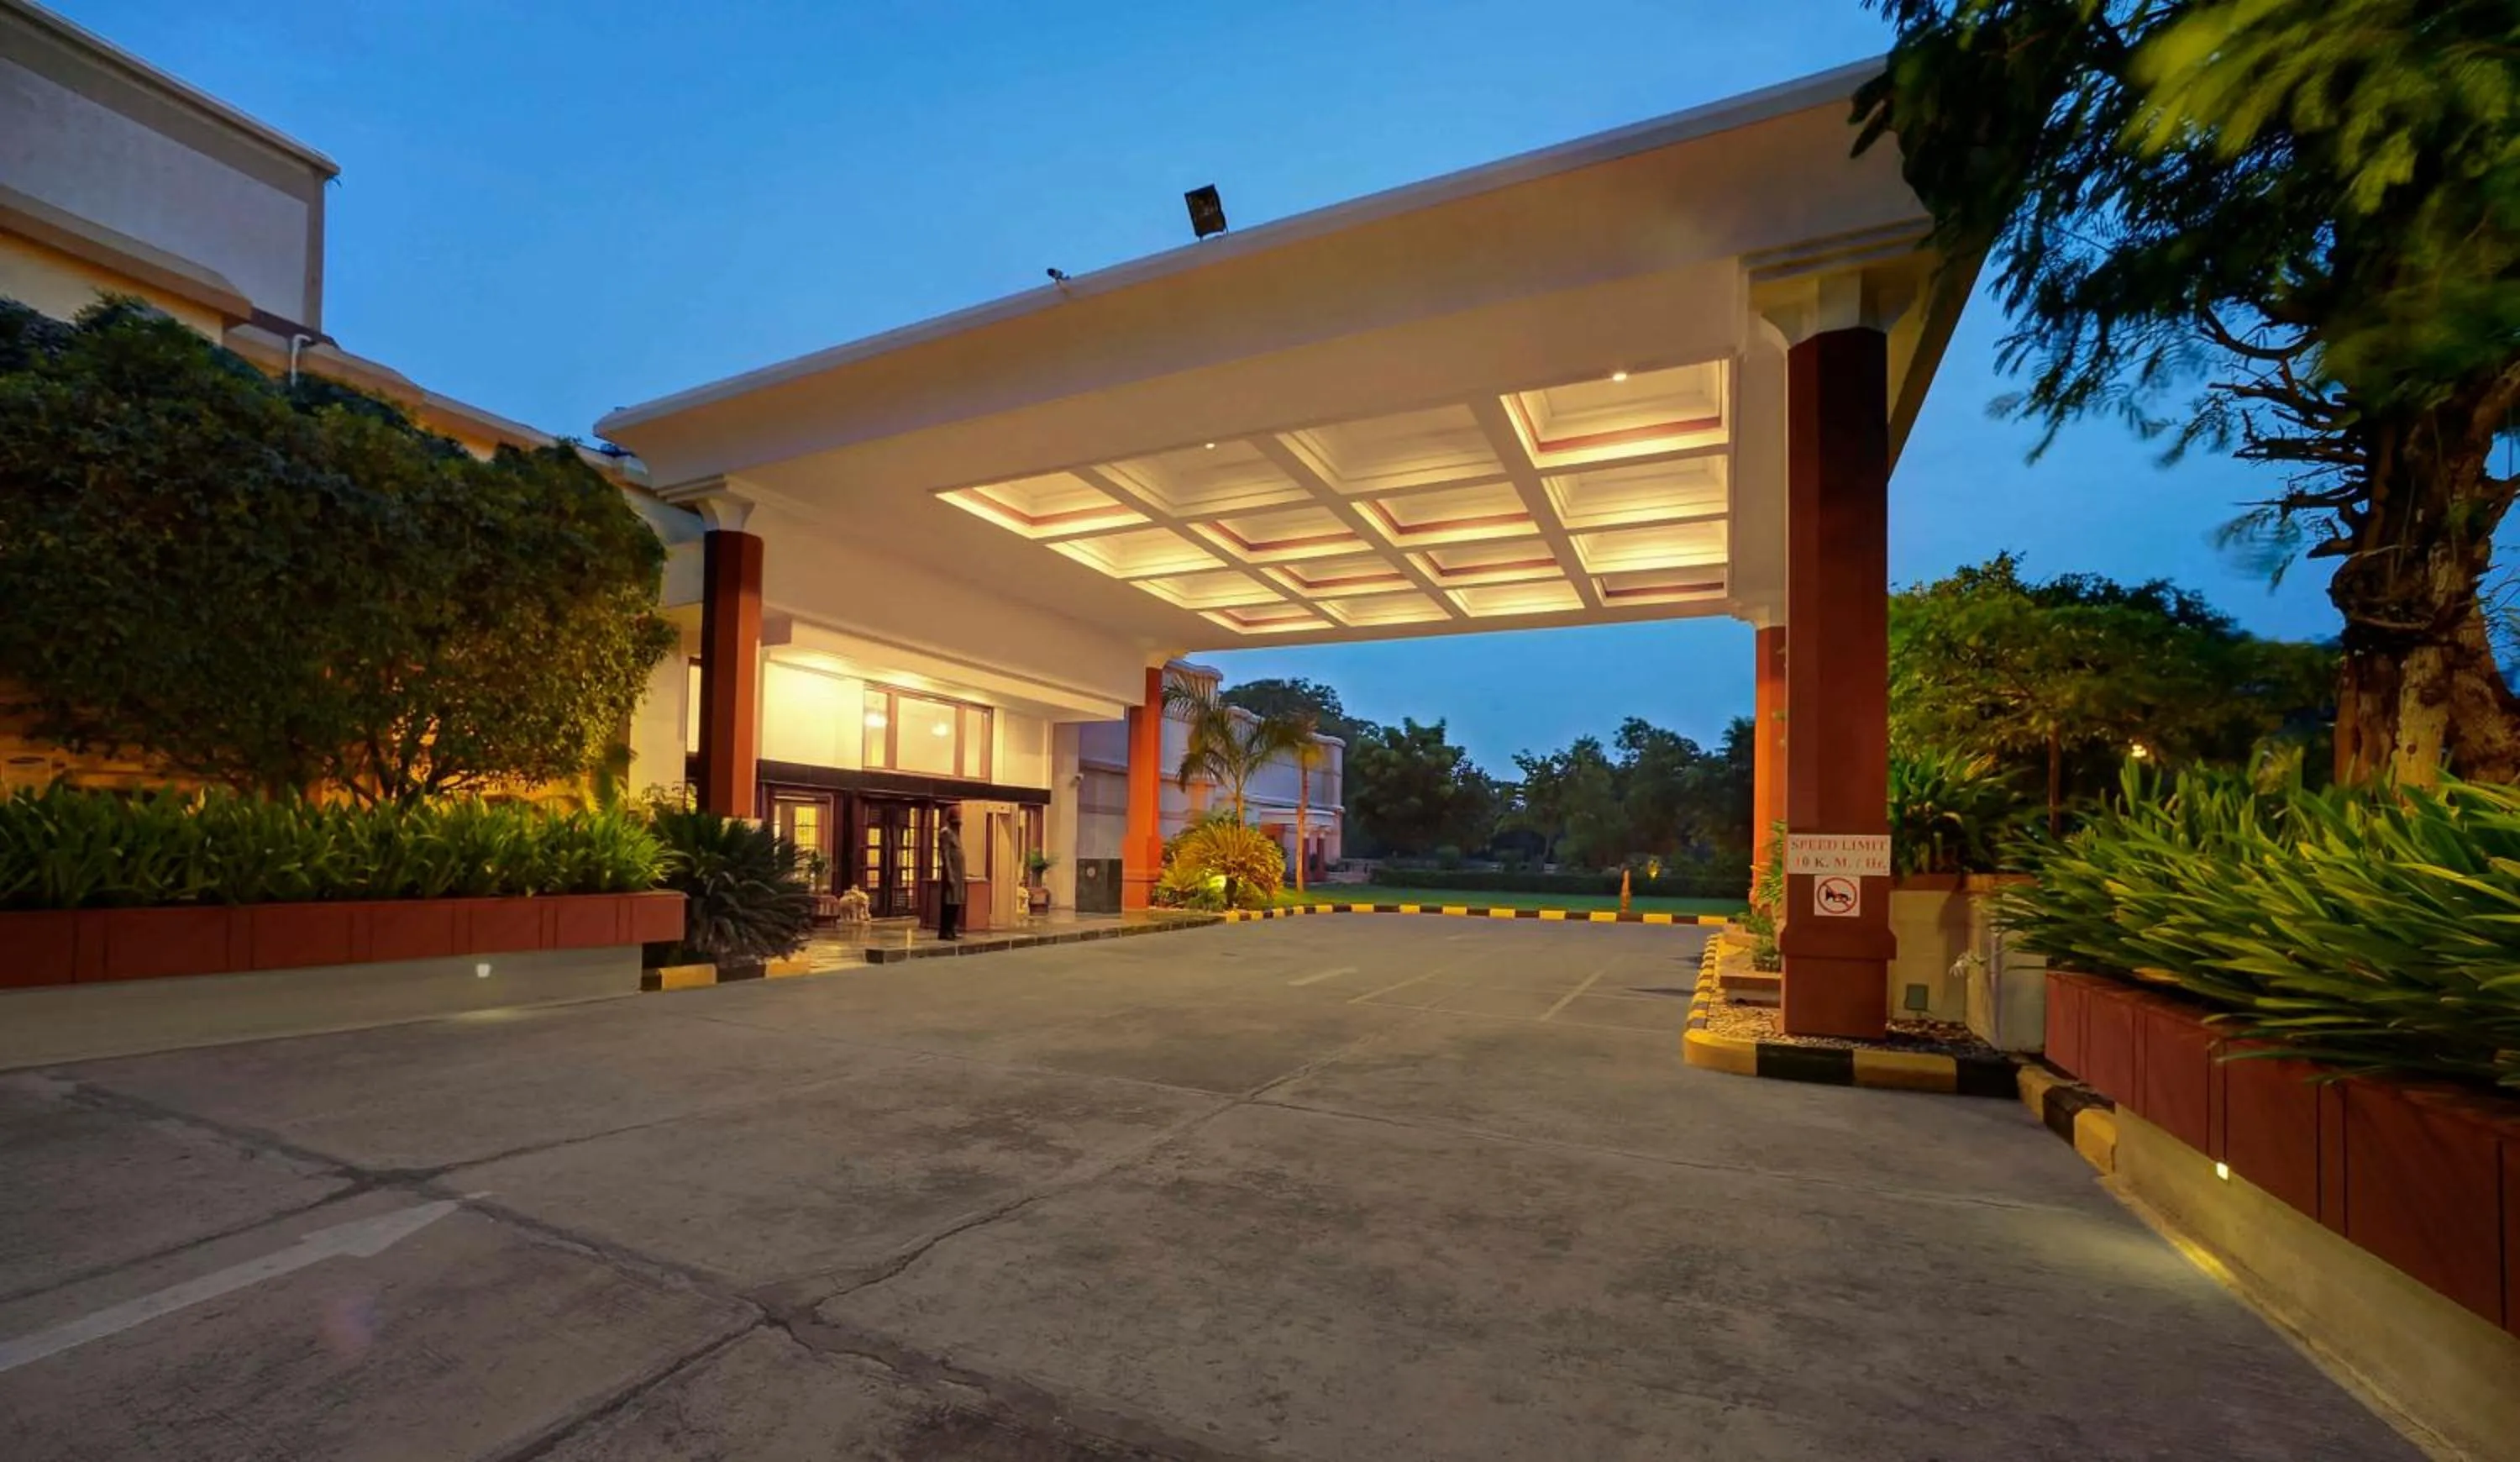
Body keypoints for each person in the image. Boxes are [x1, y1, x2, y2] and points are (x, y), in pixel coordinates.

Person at [936, 806, 967, 941]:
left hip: (959, 873)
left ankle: (952, 928)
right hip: (951, 873)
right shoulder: (946, 833)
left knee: (956, 903)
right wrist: (949, 875)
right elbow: (946, 855)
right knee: (949, 903)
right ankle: (945, 930)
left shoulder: (956, 834)